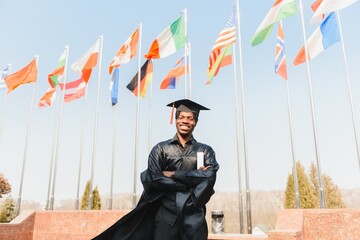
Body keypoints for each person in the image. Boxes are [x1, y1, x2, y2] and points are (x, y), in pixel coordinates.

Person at [93, 99, 219, 240]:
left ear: (196, 121)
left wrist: (173, 174)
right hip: (166, 216)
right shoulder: (161, 149)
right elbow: (154, 178)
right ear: (175, 119)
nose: (185, 121)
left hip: (194, 217)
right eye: (181, 117)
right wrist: (192, 180)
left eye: (190, 118)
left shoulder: (205, 150)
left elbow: (209, 177)